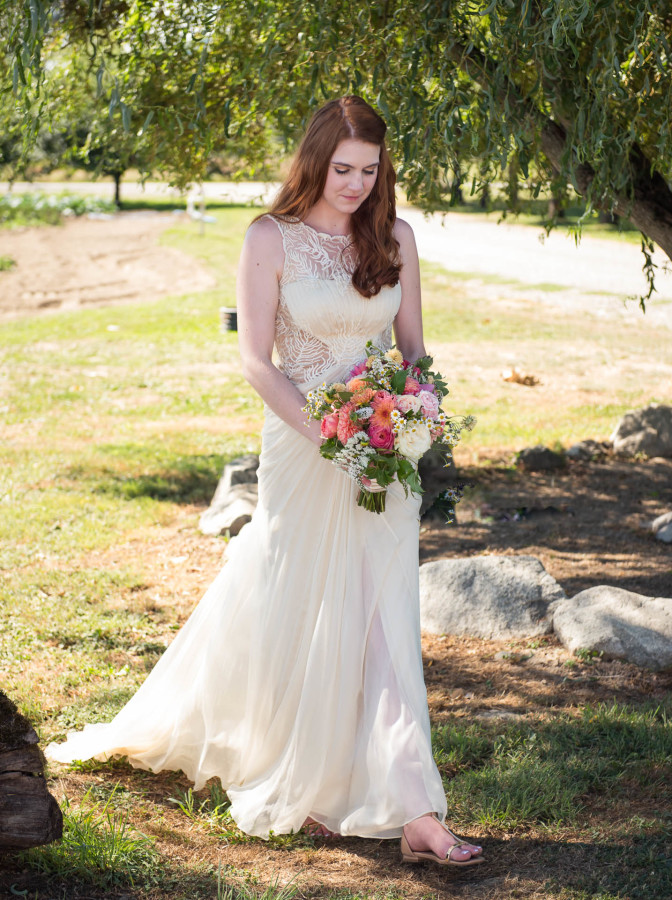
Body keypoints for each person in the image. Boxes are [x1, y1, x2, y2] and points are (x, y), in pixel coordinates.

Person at [46, 96, 484, 868]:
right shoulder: (267, 238)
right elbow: (256, 361)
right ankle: (303, 773)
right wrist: (330, 433)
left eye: (369, 170)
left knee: (385, 613)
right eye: (342, 168)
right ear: (315, 161)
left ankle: (414, 805)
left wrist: (419, 412)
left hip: (387, 454)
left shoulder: (397, 237)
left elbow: (413, 348)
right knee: (301, 598)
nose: (354, 184)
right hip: (304, 442)